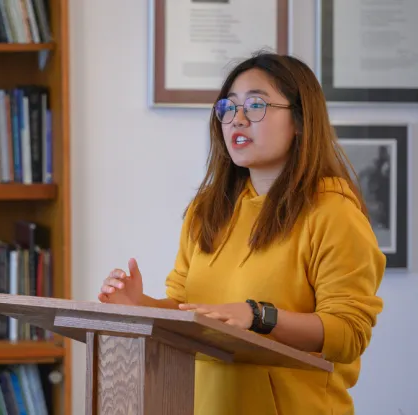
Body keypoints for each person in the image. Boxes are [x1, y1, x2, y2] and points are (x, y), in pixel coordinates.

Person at [97, 51, 385, 415]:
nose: (238, 119)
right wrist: (140, 305)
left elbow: (348, 333)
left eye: (256, 105)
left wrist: (258, 316)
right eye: (228, 108)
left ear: (299, 119)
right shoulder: (207, 210)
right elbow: (188, 308)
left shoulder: (333, 211)